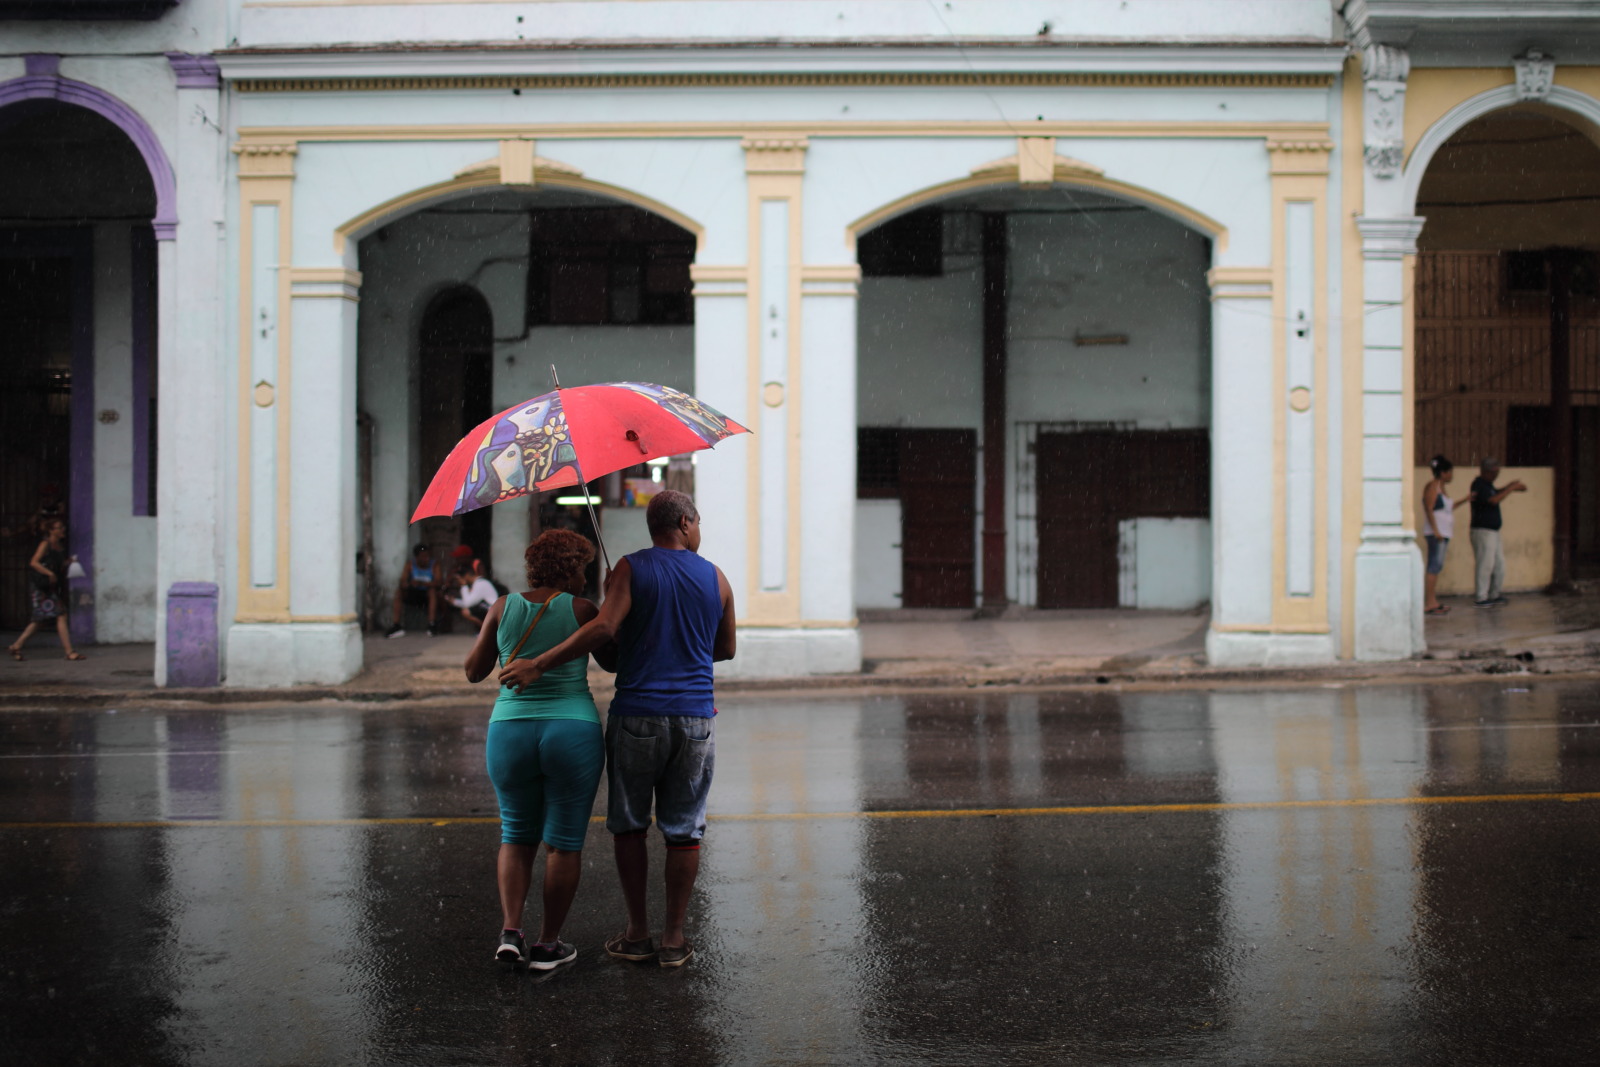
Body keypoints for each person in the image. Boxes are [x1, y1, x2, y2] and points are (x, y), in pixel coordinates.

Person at [499, 490, 736, 968]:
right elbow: (726, 649)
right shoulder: (717, 577)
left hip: (637, 714)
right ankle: (673, 939)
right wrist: (677, 646)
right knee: (684, 831)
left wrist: (539, 664)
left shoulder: (628, 568)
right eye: (699, 522)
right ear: (686, 522)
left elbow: (607, 630)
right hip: (694, 718)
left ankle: (637, 934)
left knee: (629, 826)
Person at [464, 529, 610, 971]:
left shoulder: (503, 607)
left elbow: (474, 671)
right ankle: (548, 944)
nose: (586, 578)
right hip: (572, 731)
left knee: (516, 834)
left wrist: (504, 641)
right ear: (570, 570)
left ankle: (511, 933)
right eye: (584, 569)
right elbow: (614, 660)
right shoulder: (584, 609)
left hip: (509, 730)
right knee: (563, 845)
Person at [8, 519, 84, 662]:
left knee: (40, 619)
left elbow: (57, 564)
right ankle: (70, 652)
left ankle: (16, 645)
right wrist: (49, 573)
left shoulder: (59, 546)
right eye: (59, 527)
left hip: (49, 587)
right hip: (40, 587)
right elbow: (34, 562)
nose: (63, 530)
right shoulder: (45, 544)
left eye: (62, 527)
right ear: (51, 530)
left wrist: (68, 563)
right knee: (60, 614)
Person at [1469, 457, 1525, 608]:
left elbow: (1496, 494)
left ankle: (1494, 594)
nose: (1496, 475)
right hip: (1482, 531)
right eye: (1494, 472)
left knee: (1499, 564)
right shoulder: (1479, 485)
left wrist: (1510, 486)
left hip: (1493, 531)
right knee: (1485, 564)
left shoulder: (1488, 485)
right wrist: (1511, 489)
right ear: (1485, 471)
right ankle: (1481, 597)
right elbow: (1493, 500)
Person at [1421, 455, 1470, 616]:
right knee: (1433, 567)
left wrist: (1466, 499)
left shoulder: (1441, 488)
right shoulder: (1433, 487)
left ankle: (1432, 601)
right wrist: (1436, 531)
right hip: (1437, 534)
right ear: (1442, 473)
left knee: (1437, 566)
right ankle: (1429, 603)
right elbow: (1429, 508)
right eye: (1449, 472)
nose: (1451, 475)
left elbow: (1448, 508)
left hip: (1443, 533)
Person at [386, 543, 442, 638]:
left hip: (427, 595)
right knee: (399, 592)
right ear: (417, 557)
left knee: (432, 592)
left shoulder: (434, 565)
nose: (426, 559)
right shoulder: (410, 565)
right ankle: (396, 625)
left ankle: (432, 624)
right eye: (423, 556)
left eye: (428, 556)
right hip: (413, 593)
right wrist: (409, 584)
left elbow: (439, 582)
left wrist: (422, 583)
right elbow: (403, 581)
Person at [449, 561, 499, 631]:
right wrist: (454, 601)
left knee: (466, 612)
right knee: (467, 610)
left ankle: (489, 631)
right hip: (488, 608)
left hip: (493, 610)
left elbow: (468, 604)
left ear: (467, 575)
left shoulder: (480, 584)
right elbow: (470, 601)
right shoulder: (477, 583)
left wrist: (464, 586)